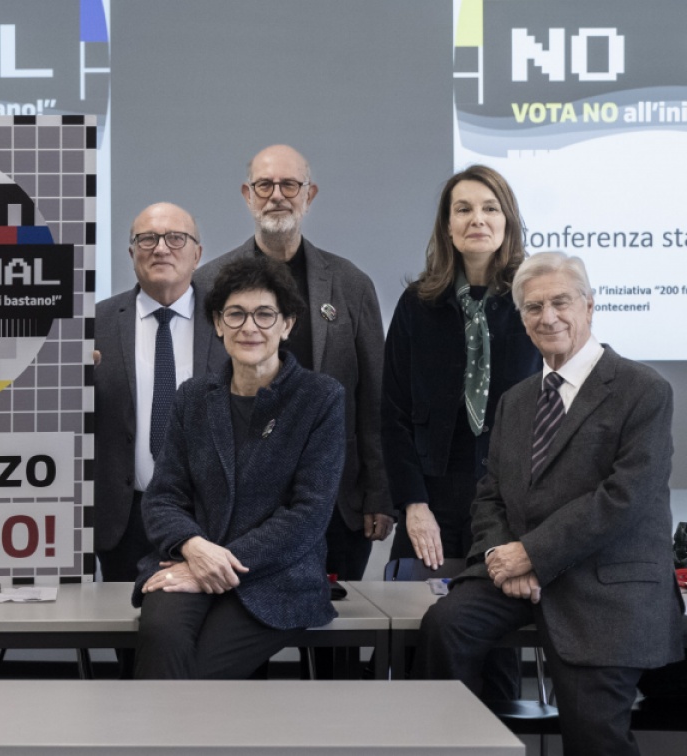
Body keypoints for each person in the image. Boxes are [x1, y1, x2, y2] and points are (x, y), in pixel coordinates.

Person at [415, 251, 683, 756]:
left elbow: (622, 498)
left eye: (561, 302)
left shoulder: (643, 390)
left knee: (592, 734)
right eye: (534, 307)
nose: (548, 317)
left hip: (602, 582)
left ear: (589, 306)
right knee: (444, 629)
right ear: (523, 319)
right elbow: (490, 493)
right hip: (516, 576)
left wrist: (532, 554)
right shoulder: (516, 400)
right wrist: (503, 556)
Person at [134, 255, 343, 680]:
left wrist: (218, 564)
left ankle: (157, 726)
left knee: (202, 667)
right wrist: (194, 549)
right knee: (161, 634)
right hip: (193, 558)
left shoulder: (320, 398)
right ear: (218, 323)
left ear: (287, 325)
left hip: (277, 574)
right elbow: (163, 498)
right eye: (236, 314)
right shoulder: (193, 397)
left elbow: (308, 514)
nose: (249, 327)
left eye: (265, 314)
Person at [193, 145, 391, 583]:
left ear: (309, 194)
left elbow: (374, 397)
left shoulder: (351, 284)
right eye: (265, 185)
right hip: (239, 500)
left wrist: (379, 491)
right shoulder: (209, 282)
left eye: (289, 185)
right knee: (243, 614)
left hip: (334, 497)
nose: (277, 196)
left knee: (339, 619)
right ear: (247, 195)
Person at [381, 165, 540, 572]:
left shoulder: (535, 304)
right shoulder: (417, 304)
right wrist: (413, 504)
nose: (477, 219)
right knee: (413, 607)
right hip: (431, 501)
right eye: (464, 209)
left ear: (508, 222)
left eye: (490, 208)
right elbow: (393, 413)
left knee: (495, 609)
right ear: (447, 226)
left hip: (510, 503)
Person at [94, 203, 213, 585]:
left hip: (206, 515)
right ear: (132, 253)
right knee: (122, 619)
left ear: (197, 254)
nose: (161, 248)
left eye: (175, 238)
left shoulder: (228, 321)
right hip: (124, 517)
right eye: (147, 239)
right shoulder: (95, 325)